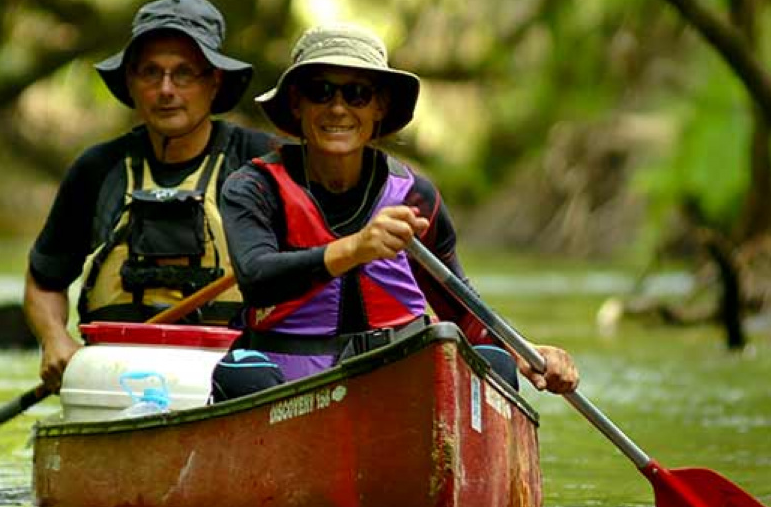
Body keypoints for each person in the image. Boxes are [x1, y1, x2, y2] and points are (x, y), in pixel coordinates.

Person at [210, 25, 578, 401]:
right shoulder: (253, 187)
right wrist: (357, 249)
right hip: (290, 383)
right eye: (320, 92)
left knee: (492, 362)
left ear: (378, 107)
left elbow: (462, 309)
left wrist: (523, 351)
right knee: (240, 373)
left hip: (396, 381)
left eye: (357, 94)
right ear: (296, 103)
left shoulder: (416, 197)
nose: (338, 108)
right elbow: (257, 280)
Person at [24, 0, 277, 390]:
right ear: (131, 82)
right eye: (150, 72)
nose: (166, 89)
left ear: (214, 81)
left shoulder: (262, 164)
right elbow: (44, 279)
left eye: (184, 73)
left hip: (232, 375)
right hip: (115, 374)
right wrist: (54, 339)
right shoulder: (97, 170)